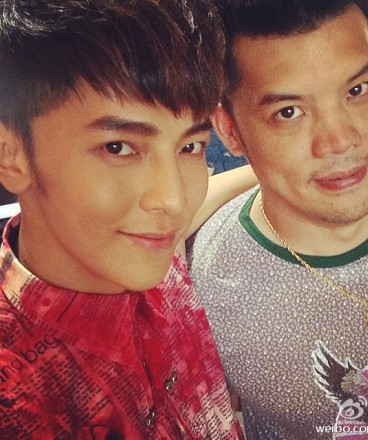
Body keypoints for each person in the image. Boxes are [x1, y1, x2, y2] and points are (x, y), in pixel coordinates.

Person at [0, 0, 258, 438]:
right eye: (118, 148)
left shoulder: (143, 247)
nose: (173, 201)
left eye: (190, 147)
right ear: (12, 154)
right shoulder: (16, 398)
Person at [188, 0, 368, 438]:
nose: (339, 141)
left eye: (357, 90)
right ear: (229, 129)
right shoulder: (201, 290)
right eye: (288, 112)